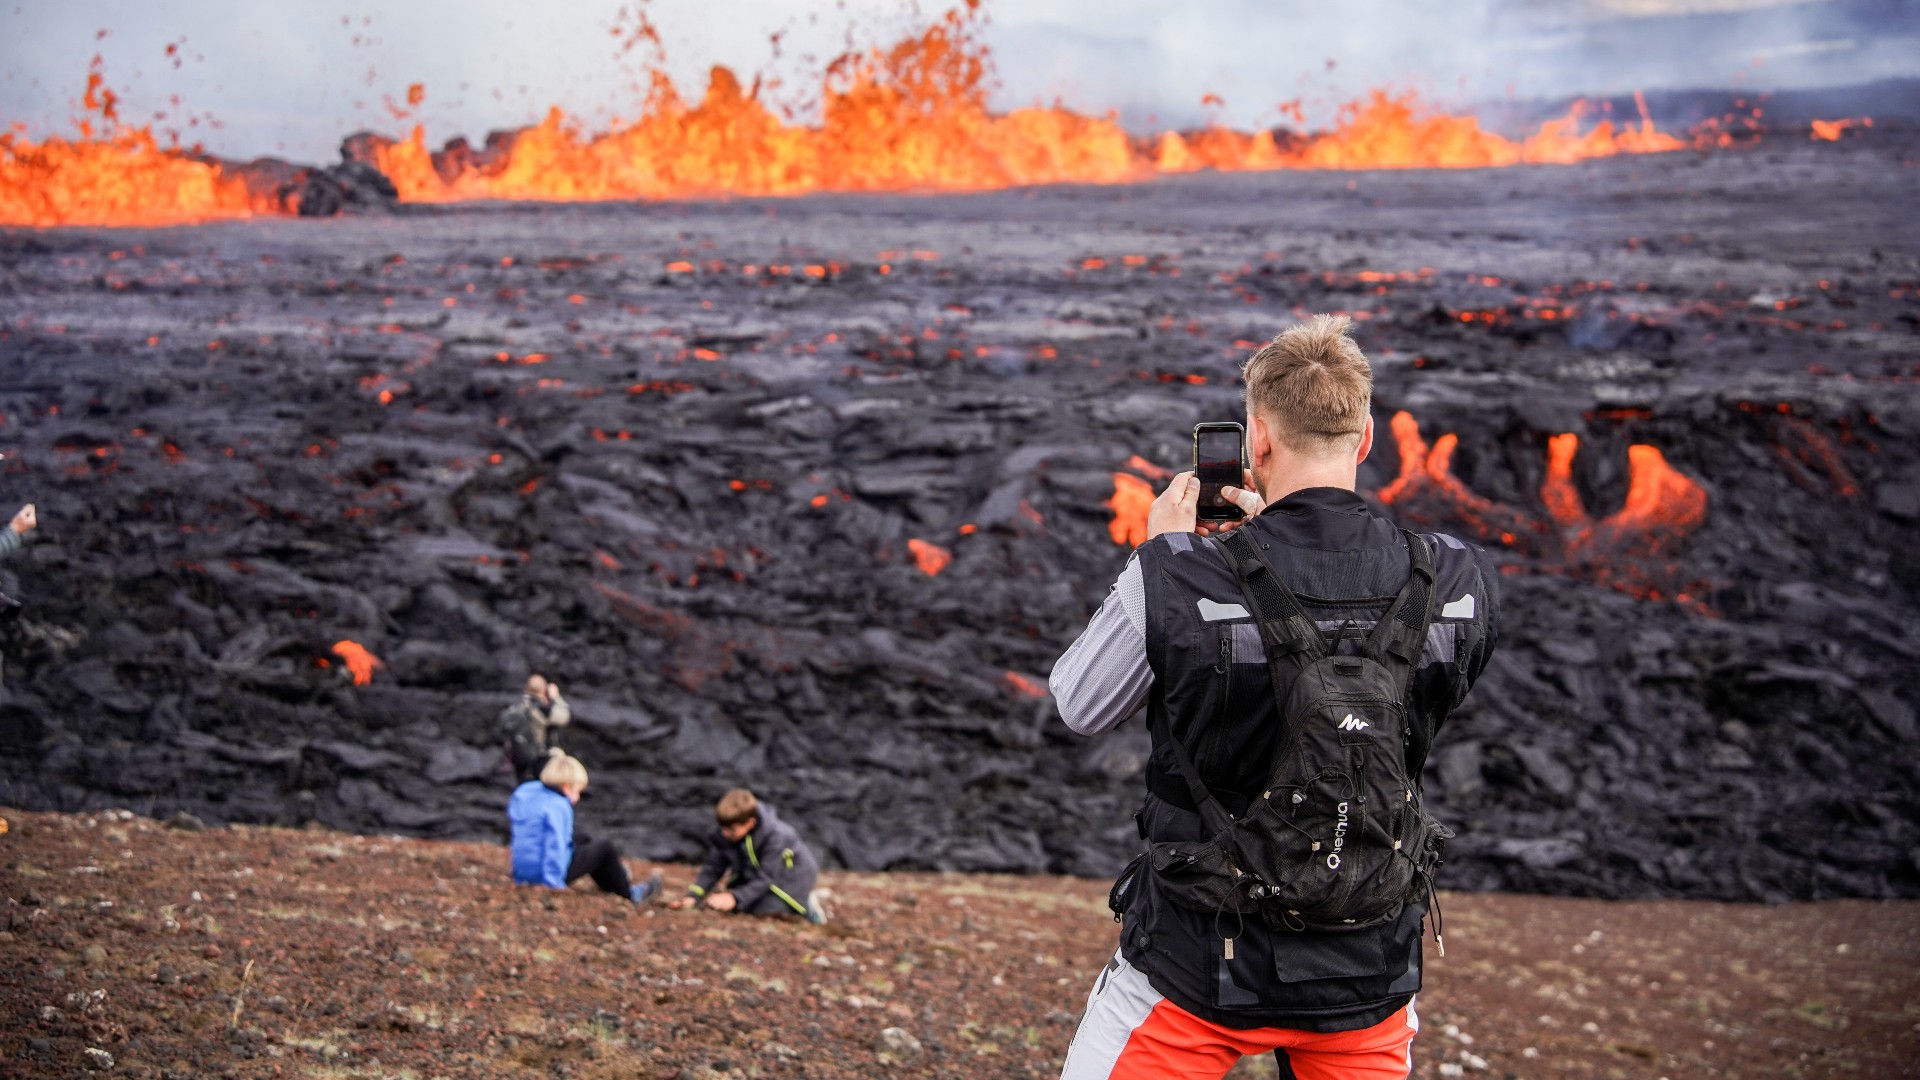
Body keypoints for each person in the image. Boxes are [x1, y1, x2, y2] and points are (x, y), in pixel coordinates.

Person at [1052, 314, 1500, 1079]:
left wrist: (1162, 559)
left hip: (1197, 968)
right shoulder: (1455, 577)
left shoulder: (1183, 572)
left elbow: (1080, 706)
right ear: (1363, 440)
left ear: (1257, 441)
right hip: (1367, 970)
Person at [507, 752, 661, 904]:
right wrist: (552, 883)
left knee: (584, 839)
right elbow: (555, 845)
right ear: (566, 787)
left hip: (522, 872)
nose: (578, 797)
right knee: (605, 849)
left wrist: (520, 877)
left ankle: (612, 880)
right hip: (542, 875)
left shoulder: (526, 792)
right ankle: (631, 894)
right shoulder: (558, 806)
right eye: (577, 791)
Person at [668, 788, 826, 924]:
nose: (725, 834)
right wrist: (694, 896)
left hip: (789, 882)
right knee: (736, 907)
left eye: (731, 830)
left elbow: (767, 877)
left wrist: (735, 897)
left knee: (764, 911)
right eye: (723, 829)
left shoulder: (776, 836)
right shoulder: (728, 834)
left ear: (749, 823)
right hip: (756, 877)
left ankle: (808, 908)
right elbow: (713, 867)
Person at [500, 673, 570, 783]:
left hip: (519, 758)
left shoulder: (516, 707)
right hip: (539, 758)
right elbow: (564, 717)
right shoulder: (542, 708)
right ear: (544, 690)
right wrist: (556, 697)